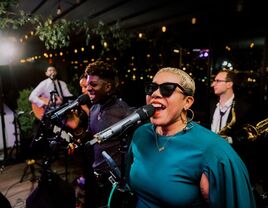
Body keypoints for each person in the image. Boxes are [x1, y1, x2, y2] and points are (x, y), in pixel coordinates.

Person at [128, 67, 256, 207]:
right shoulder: (141, 134)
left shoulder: (212, 150)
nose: (155, 93)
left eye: (167, 89)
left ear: (187, 102)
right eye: (151, 88)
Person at [83, 60, 134, 207]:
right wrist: (77, 130)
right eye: (87, 85)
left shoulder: (123, 111)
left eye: (93, 85)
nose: (88, 89)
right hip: (96, 177)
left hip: (114, 183)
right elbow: (91, 138)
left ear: (108, 87)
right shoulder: (93, 109)